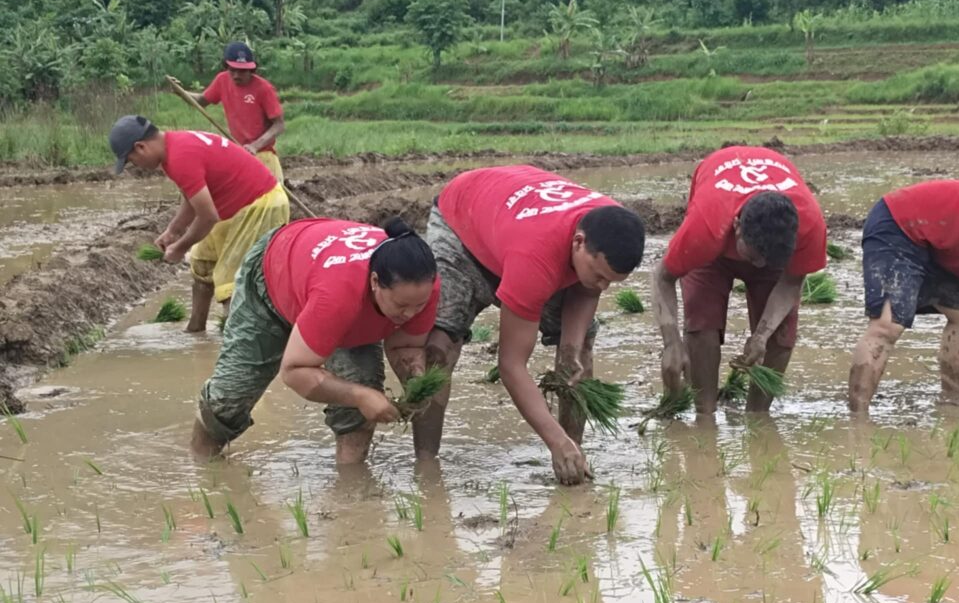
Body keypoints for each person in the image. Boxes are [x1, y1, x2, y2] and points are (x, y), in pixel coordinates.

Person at [412, 165, 645, 486]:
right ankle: (426, 466)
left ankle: (574, 459)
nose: (604, 287)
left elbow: (587, 287)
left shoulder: (610, 227)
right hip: (463, 223)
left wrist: (570, 349)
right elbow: (510, 365)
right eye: (601, 276)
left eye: (613, 282)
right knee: (439, 347)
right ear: (578, 243)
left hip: (513, 218)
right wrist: (553, 440)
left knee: (578, 356)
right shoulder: (537, 256)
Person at [190, 217, 440, 467]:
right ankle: (201, 466)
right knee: (232, 395)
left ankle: (350, 485)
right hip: (273, 276)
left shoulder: (422, 285)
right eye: (401, 306)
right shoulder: (337, 297)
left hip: (331, 291)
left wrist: (415, 378)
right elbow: (294, 371)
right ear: (375, 282)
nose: (409, 315)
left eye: (419, 306)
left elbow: (406, 346)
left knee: (362, 383)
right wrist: (362, 397)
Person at [652, 146, 826, 415]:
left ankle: (757, 416)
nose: (758, 266)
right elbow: (662, 277)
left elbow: (790, 283)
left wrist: (761, 336)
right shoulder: (706, 226)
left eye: (766, 261)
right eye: (754, 257)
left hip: (768, 244)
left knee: (780, 338)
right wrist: (671, 343)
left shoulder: (809, 226)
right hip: (715, 250)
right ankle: (704, 414)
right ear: (737, 227)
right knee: (701, 326)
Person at [849, 180, 959, 413]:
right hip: (899, 223)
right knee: (887, 325)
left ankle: (951, 401)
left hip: (938, 240)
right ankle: (858, 419)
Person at [110, 115, 290, 331]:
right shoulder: (173, 148)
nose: (135, 166)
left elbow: (207, 217)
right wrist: (173, 231)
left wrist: (180, 247)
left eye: (131, 160)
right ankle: (196, 331)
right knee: (202, 261)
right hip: (233, 206)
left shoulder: (179, 157)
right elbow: (193, 197)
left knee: (230, 279)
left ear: (140, 147)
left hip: (260, 204)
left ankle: (238, 345)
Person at [176, 42, 286, 182]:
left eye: (241, 71)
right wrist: (180, 92)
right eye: (232, 70)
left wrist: (255, 146)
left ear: (251, 70)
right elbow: (202, 100)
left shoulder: (263, 89)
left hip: (263, 153)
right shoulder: (222, 80)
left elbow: (279, 125)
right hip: (239, 152)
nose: (236, 75)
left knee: (273, 200)